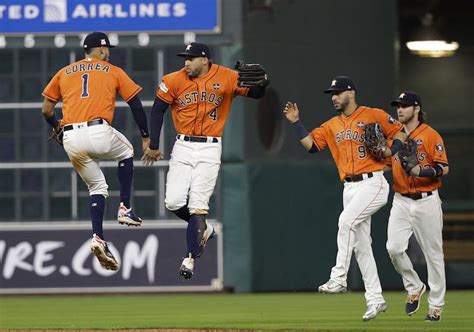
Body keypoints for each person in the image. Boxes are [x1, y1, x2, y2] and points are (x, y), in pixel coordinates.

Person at [283, 76, 407, 321]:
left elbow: (401, 132)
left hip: (373, 183)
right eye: (332, 93)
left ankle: (339, 277)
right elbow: (311, 146)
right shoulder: (331, 125)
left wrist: (390, 151)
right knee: (361, 246)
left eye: (338, 92)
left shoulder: (374, 114)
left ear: (352, 93)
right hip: (349, 188)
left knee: (345, 222)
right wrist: (297, 123)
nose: (334, 97)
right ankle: (375, 299)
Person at [142, 42, 269, 279]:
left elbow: (256, 93)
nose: (186, 63)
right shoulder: (173, 80)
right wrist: (155, 144)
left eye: (191, 58)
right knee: (173, 202)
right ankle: (205, 229)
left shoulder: (227, 77)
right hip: (182, 145)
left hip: (210, 147)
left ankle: (189, 259)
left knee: (198, 205)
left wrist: (263, 84)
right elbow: (157, 110)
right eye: (185, 58)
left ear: (205, 60)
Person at [41, 32, 150, 271]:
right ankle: (125, 207)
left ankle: (98, 237)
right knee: (126, 151)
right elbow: (136, 104)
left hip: (70, 136)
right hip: (97, 130)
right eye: (107, 49)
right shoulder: (113, 70)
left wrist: (56, 128)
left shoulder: (64, 71)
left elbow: (47, 109)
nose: (108, 52)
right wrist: (145, 136)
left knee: (97, 187)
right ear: (100, 50)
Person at [385, 91, 449, 322]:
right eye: (397, 106)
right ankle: (414, 286)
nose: (399, 110)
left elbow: (444, 167)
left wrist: (420, 171)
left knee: (433, 255)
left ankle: (436, 306)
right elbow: (385, 163)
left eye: (404, 106)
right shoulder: (394, 136)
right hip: (400, 200)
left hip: (427, 200)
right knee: (393, 248)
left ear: (417, 109)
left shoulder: (431, 135)